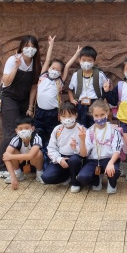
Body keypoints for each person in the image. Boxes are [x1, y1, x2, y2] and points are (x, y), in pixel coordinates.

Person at [0, 35, 41, 178]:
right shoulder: (13, 60)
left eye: (33, 47)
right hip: (9, 98)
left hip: (24, 100)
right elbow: (6, 82)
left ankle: (22, 165)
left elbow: (34, 86)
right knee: (11, 132)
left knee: (26, 130)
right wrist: (16, 66)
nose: (30, 49)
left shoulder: (37, 63)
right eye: (27, 46)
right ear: (21, 47)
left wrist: (30, 107)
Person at [31, 38, 81, 167]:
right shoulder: (43, 76)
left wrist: (76, 54)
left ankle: (51, 162)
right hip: (39, 112)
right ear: (49, 68)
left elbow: (67, 66)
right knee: (38, 136)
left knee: (51, 137)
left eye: (58, 70)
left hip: (53, 114)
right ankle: (39, 162)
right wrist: (51, 45)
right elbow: (47, 59)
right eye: (53, 68)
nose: (55, 71)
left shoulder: (59, 81)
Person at [75, 99, 123, 194]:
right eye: (96, 115)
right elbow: (84, 154)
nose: (99, 118)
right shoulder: (89, 131)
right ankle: (97, 179)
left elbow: (117, 150)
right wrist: (83, 140)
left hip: (109, 159)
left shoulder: (114, 130)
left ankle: (112, 183)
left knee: (115, 170)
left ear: (107, 113)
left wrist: (111, 163)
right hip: (93, 160)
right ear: (92, 115)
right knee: (82, 177)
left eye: (102, 114)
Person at [41, 102, 86, 188]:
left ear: (76, 115)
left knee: (74, 160)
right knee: (46, 177)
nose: (67, 119)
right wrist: (59, 159)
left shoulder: (81, 129)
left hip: (75, 157)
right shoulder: (58, 129)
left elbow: (84, 152)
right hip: (61, 157)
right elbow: (51, 148)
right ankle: (66, 176)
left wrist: (76, 147)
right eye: (63, 116)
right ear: (59, 117)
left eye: (70, 116)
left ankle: (75, 181)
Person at [67, 46, 111, 128]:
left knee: (95, 125)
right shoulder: (76, 75)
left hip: (95, 104)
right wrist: (72, 99)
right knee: (81, 126)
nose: (86, 62)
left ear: (94, 61)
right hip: (80, 105)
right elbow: (70, 89)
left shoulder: (99, 74)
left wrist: (106, 92)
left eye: (89, 60)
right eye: (84, 60)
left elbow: (107, 86)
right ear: (79, 60)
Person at [1, 115, 44, 189]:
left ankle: (39, 173)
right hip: (22, 163)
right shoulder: (16, 139)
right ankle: (18, 173)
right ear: (16, 131)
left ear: (32, 129)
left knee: (38, 153)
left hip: (34, 162)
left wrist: (11, 156)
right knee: (12, 151)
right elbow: (5, 157)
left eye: (27, 128)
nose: (23, 131)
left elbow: (30, 156)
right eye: (20, 129)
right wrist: (13, 177)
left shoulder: (37, 138)